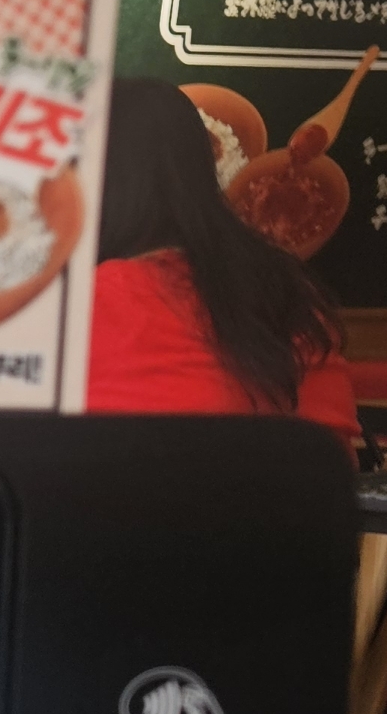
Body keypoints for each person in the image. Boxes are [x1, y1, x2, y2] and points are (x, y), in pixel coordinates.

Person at [88, 76, 360, 447]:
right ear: (203, 168)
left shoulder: (66, 307)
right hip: (282, 485)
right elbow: (332, 459)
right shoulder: (285, 292)